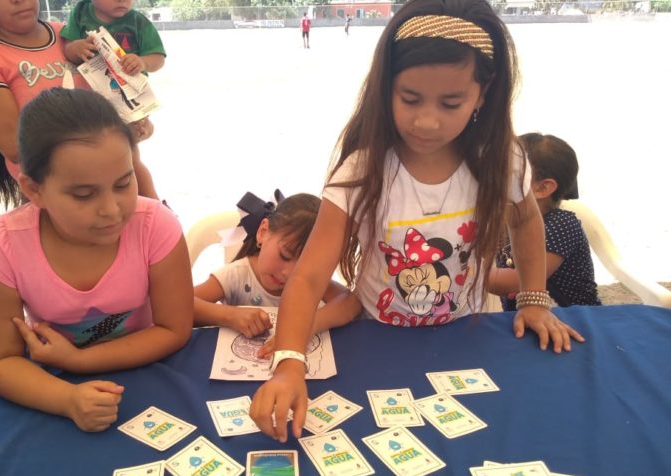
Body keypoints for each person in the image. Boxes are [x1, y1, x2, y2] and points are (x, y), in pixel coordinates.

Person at [249, 0, 584, 442]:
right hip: (375, 336)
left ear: (483, 93)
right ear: (386, 89)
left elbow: (525, 223)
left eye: (451, 102)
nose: (427, 121)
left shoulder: (502, 161)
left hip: (466, 331)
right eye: (410, 99)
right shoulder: (361, 171)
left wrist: (535, 298)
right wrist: (290, 362)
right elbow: (309, 277)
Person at [0, 88, 193, 432]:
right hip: (52, 383)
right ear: (34, 189)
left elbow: (173, 329)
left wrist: (79, 360)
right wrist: (66, 399)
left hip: (149, 371)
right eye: (84, 195)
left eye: (123, 183)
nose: (111, 209)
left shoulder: (156, 225)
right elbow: (0, 360)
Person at [0, 0, 158, 211]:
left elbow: (118, 91)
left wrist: (137, 120)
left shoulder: (70, 36)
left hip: (122, 178)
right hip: (66, 201)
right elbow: (15, 146)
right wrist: (116, 134)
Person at [193, 190, 361, 350]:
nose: (288, 273)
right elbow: (180, 306)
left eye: (303, 265)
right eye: (285, 255)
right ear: (263, 232)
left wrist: (308, 325)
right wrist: (230, 316)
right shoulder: (236, 275)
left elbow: (351, 303)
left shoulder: (309, 280)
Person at [490, 133, 601, 309]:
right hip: (523, 319)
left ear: (542, 188)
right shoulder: (506, 216)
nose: (492, 176)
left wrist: (462, 272)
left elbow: (517, 281)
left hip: (574, 321)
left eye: (507, 171)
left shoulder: (562, 225)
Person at [61, 0, 166, 77]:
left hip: (131, 93)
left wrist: (142, 63)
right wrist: (76, 49)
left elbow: (158, 58)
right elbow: (68, 51)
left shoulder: (138, 21)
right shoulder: (80, 13)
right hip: (90, 93)